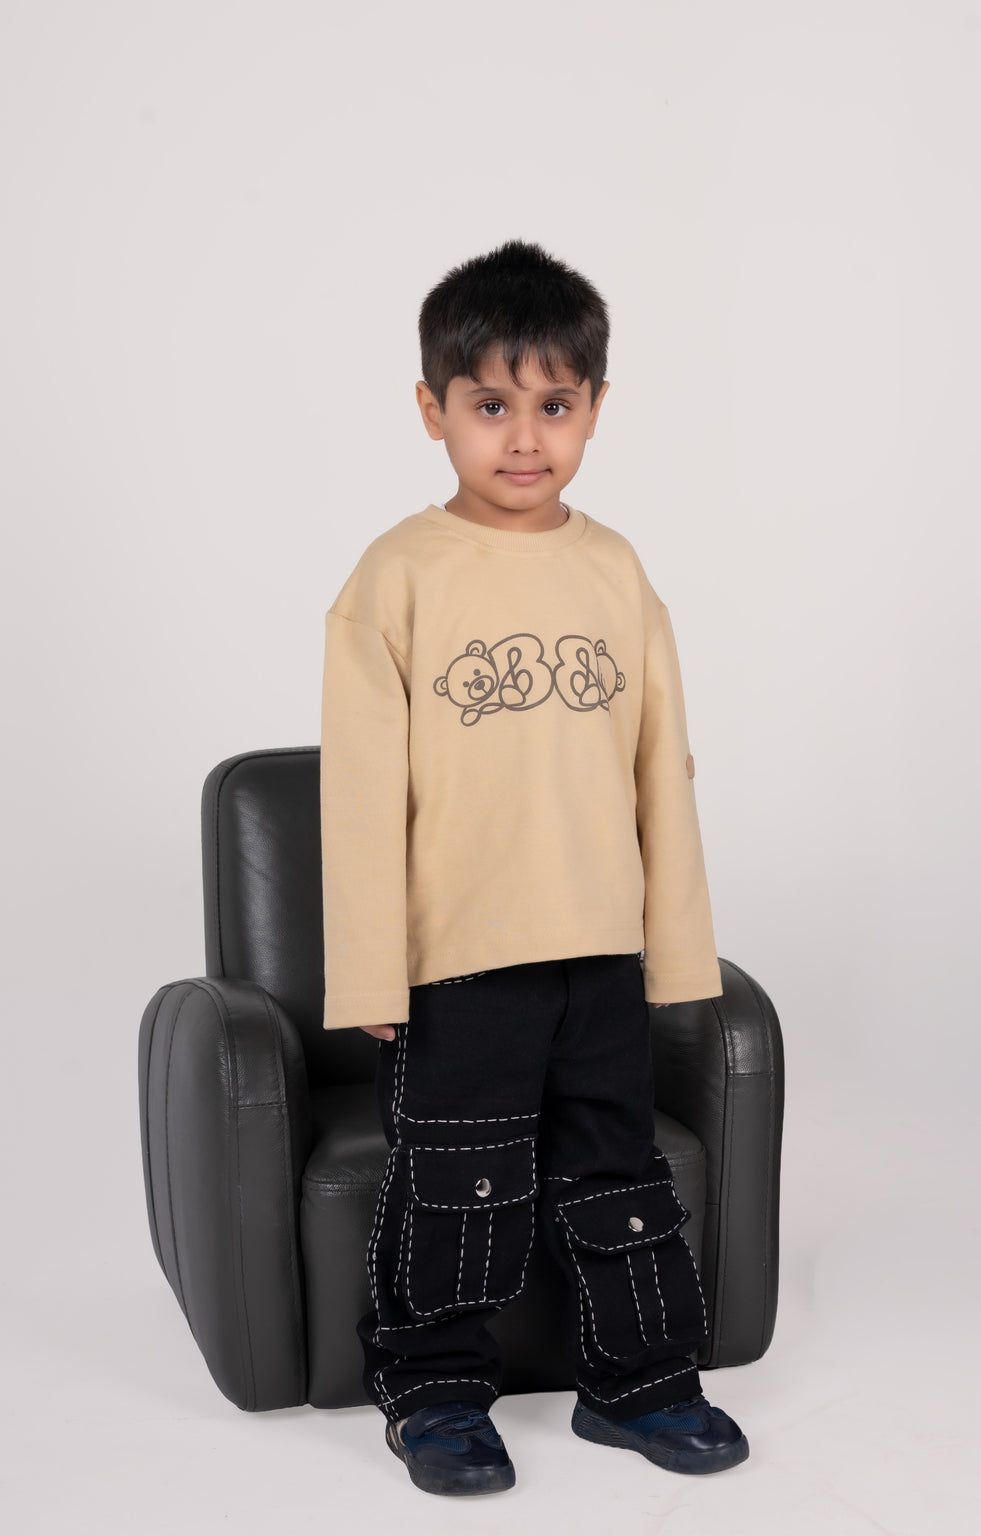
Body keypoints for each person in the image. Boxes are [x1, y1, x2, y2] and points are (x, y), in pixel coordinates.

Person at [319, 239, 748, 1497]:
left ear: (594, 410)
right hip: (458, 958)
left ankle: (642, 1384)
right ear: (431, 410)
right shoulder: (394, 577)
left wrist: (672, 949)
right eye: (489, 405)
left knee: (621, 1175)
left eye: (553, 406)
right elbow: (357, 796)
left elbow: (660, 769)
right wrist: (373, 977)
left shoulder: (615, 571)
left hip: (598, 950)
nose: (522, 437)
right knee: (455, 1181)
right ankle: (437, 1391)